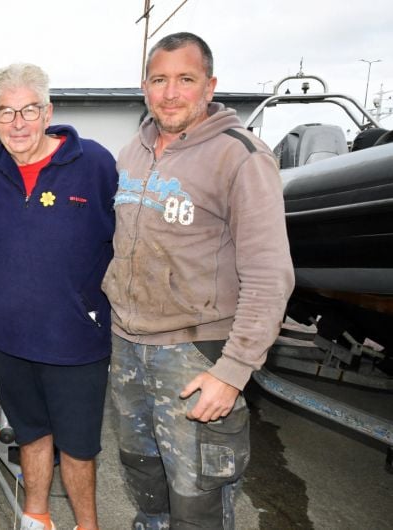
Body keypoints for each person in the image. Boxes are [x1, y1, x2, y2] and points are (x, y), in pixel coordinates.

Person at [101, 32, 294, 529]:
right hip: (128, 349)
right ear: (144, 86)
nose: (170, 93)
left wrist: (232, 372)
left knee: (198, 502)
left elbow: (270, 276)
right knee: (144, 481)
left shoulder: (242, 157)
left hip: (195, 355)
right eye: (159, 80)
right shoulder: (131, 155)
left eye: (185, 79)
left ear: (209, 85)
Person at [0, 63, 117, 530]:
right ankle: (37, 518)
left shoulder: (94, 164)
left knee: (78, 447)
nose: (18, 122)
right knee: (31, 437)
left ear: (48, 111)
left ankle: (86, 525)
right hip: (10, 342)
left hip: (77, 343)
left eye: (29, 110)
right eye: (6, 112)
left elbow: (128, 242)